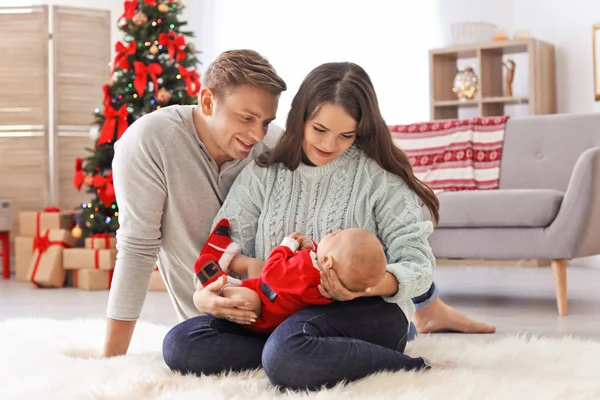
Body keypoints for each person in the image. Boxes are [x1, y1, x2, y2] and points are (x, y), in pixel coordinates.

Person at [104, 49, 494, 360]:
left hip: (359, 311)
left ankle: (394, 361)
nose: (328, 145)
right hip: (275, 313)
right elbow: (223, 242)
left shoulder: (379, 179)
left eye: (346, 135)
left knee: (290, 348)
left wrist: (364, 288)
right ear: (301, 116)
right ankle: (301, 355)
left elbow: (417, 264)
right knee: (180, 344)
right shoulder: (264, 168)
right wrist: (209, 291)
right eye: (319, 129)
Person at [194, 221, 390, 335]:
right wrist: (311, 247)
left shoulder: (305, 272)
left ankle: (218, 283)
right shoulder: (321, 276)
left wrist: (285, 247)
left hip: (261, 309)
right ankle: (225, 272)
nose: (331, 233)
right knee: (181, 341)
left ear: (327, 261)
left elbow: (271, 274)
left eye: (335, 234)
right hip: (272, 301)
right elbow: (313, 263)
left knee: (247, 299)